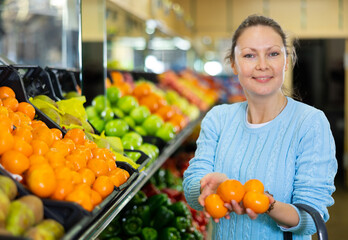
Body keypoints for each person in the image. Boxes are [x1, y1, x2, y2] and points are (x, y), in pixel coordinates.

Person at [183, 14, 337, 240]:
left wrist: (267, 204)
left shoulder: (310, 123)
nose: (262, 65)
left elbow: (311, 218)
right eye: (249, 55)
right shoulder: (218, 118)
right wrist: (208, 189)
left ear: (286, 61)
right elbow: (190, 187)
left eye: (273, 54)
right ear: (234, 64)